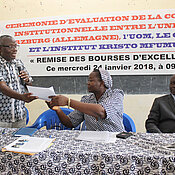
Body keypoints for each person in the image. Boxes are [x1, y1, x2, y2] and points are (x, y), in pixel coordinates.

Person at [47, 68, 125, 132]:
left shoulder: (116, 95)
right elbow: (70, 123)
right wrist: (58, 109)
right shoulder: (86, 100)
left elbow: (101, 111)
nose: (87, 83)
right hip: (92, 142)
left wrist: (68, 101)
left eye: (91, 81)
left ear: (102, 83)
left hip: (115, 141)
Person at [0, 35, 38, 128]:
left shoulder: (18, 63)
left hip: (20, 117)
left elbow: (29, 84)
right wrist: (22, 97)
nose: (15, 49)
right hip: (2, 119)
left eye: (16, 46)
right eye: (11, 46)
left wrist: (27, 80)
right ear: (0, 48)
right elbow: (2, 87)